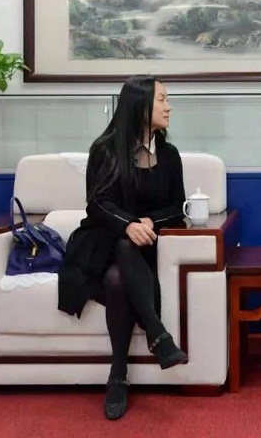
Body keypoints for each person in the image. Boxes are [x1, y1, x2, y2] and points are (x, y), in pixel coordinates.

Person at [58, 75, 189, 420]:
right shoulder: (105, 149)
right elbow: (97, 204)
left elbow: (177, 208)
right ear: (140, 105)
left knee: (119, 277)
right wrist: (128, 225)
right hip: (101, 243)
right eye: (162, 99)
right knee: (120, 252)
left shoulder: (169, 155)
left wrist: (149, 222)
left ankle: (118, 376)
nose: (169, 107)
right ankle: (157, 336)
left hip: (145, 247)